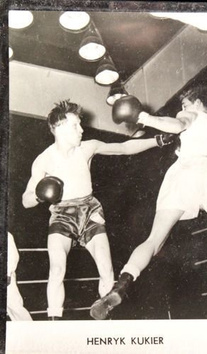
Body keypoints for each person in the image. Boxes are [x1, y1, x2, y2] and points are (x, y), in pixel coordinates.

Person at [90, 84, 207, 320]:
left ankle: (122, 284)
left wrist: (142, 117)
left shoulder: (191, 114)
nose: (182, 108)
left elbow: (177, 124)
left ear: (199, 103)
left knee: (153, 240)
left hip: (184, 173)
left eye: (186, 104)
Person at [22, 99, 169, 320]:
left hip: (90, 210)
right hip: (62, 215)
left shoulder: (87, 147)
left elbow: (123, 147)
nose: (81, 130)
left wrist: (156, 140)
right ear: (58, 127)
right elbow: (25, 200)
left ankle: (106, 322)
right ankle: (53, 325)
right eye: (75, 126)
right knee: (57, 269)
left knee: (107, 271)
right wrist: (39, 194)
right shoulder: (43, 161)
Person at [7, 232, 33, 321]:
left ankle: (31, 331)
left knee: (15, 306)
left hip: (5, 276)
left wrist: (7, 273)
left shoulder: (6, 234)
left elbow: (13, 255)